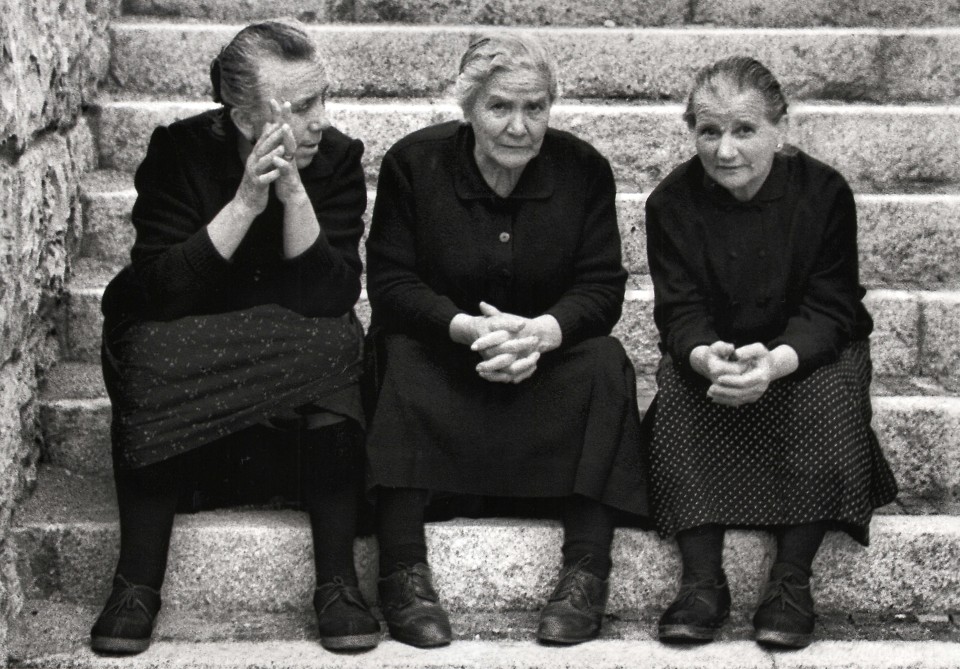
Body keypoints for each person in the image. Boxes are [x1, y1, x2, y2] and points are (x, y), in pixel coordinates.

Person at [90, 21, 380, 654]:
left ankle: (337, 582)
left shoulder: (335, 159)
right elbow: (161, 289)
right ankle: (136, 582)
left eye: (323, 99)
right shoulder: (180, 152)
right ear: (245, 116)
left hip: (292, 355)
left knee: (335, 344)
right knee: (148, 348)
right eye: (303, 107)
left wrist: (294, 192)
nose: (321, 120)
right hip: (190, 345)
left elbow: (332, 295)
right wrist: (248, 200)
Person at [363, 33, 648, 648]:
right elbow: (390, 284)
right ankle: (403, 570)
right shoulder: (414, 163)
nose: (519, 126)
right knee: (397, 354)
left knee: (604, 361)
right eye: (500, 108)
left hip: (540, 365)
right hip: (447, 360)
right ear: (468, 107)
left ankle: (586, 571)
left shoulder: (584, 169)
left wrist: (543, 334)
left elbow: (601, 288)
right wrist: (466, 328)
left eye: (535, 108)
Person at [642, 55, 898, 649]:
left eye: (744, 130)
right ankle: (703, 580)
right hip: (719, 350)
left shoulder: (824, 192)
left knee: (830, 390)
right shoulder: (671, 203)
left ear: (779, 129)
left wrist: (778, 361)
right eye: (709, 131)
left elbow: (833, 304)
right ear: (693, 132)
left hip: (806, 350)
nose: (725, 150)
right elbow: (678, 312)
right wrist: (706, 356)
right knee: (681, 392)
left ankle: (790, 580)